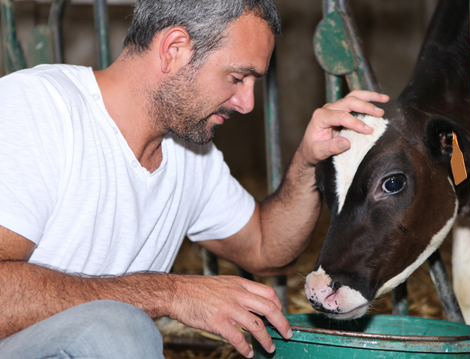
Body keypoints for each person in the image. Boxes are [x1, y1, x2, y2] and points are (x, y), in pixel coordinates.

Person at [0, 0, 389, 358]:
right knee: (116, 329)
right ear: (174, 49)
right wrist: (169, 293)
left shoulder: (189, 153)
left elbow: (266, 246)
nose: (248, 103)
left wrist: (307, 162)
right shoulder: (37, 109)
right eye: (238, 77)